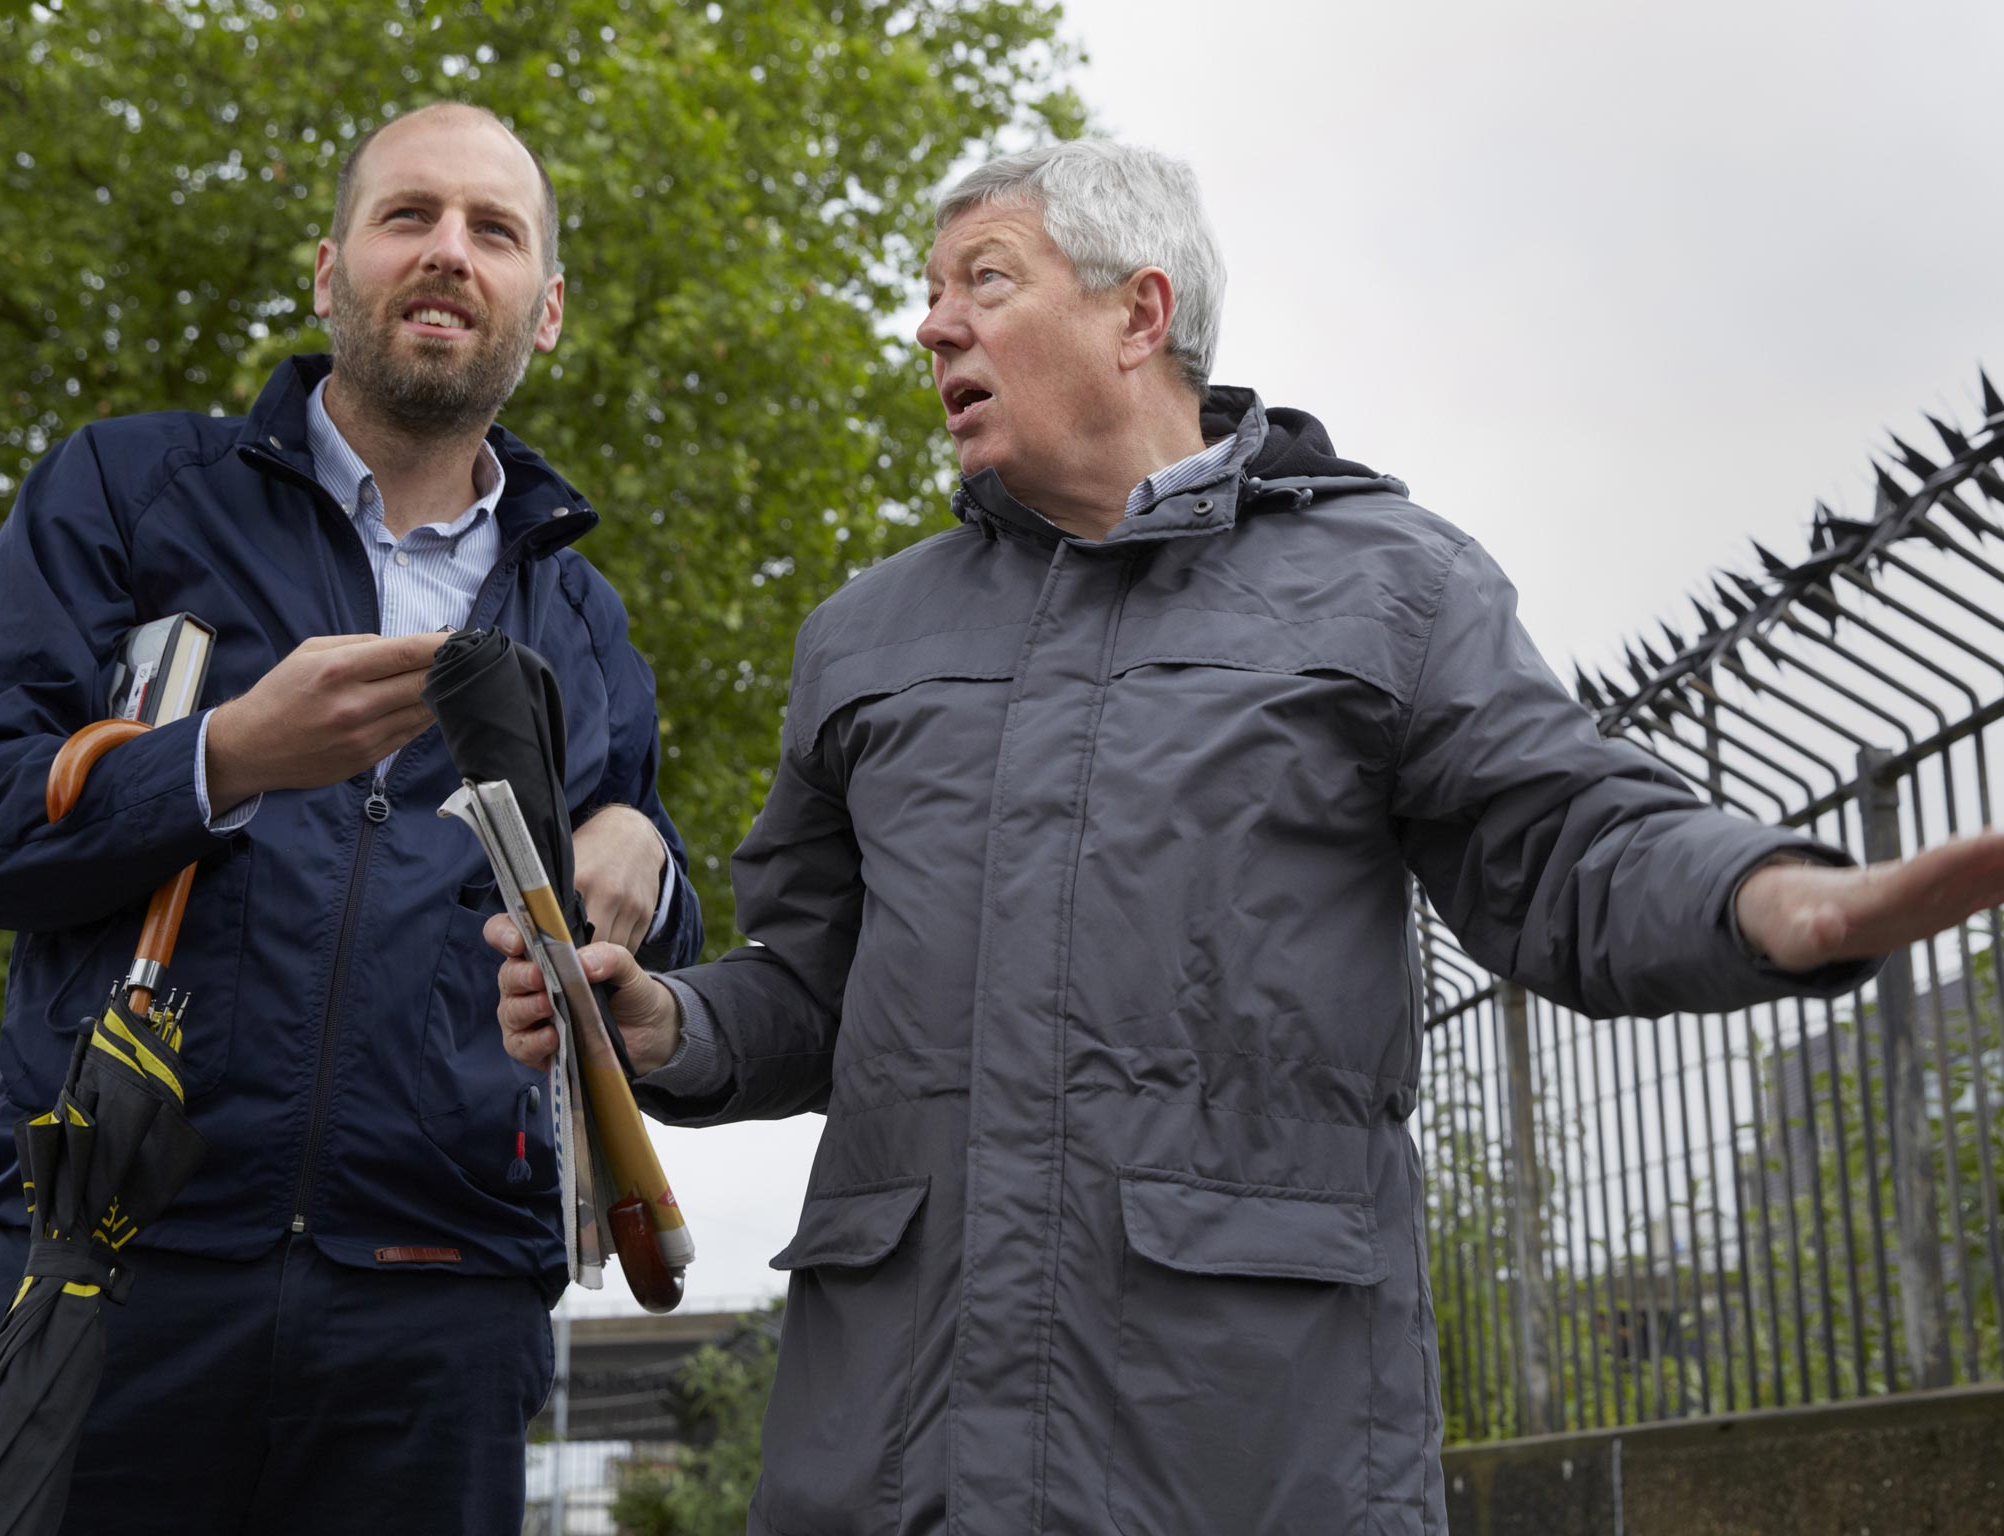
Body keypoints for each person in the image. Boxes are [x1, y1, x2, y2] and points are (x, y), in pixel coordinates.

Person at [492, 141, 2004, 1535]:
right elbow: (819, 993)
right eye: (930, 296)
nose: (932, 330)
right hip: (899, 1451)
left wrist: (1775, 898)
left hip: (1247, 1452)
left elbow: (1567, 843)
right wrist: (667, 1020)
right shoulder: (863, 640)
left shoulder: (1390, 585)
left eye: (985, 284)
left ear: (1140, 311)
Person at [0, 102, 702, 1532]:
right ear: (326, 270)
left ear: (546, 313)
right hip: (107, 1264)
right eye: (406, 217)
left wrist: (649, 865)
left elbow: (650, 964)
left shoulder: (585, 618)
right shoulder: (123, 491)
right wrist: (221, 758)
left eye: (494, 232)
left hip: (442, 1317)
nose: (447, 253)